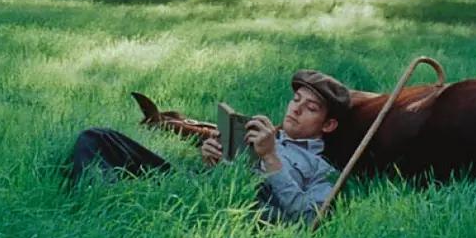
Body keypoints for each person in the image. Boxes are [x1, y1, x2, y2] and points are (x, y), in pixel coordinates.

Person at [65, 70, 351, 225]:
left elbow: (310, 218)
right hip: (197, 187)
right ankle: (98, 203)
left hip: (240, 207)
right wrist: (211, 159)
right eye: (296, 100)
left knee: (251, 196)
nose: (296, 109)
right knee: (96, 138)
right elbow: (219, 170)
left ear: (328, 126)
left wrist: (271, 159)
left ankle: (115, 209)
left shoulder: (323, 170)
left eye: (310, 107)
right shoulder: (268, 133)